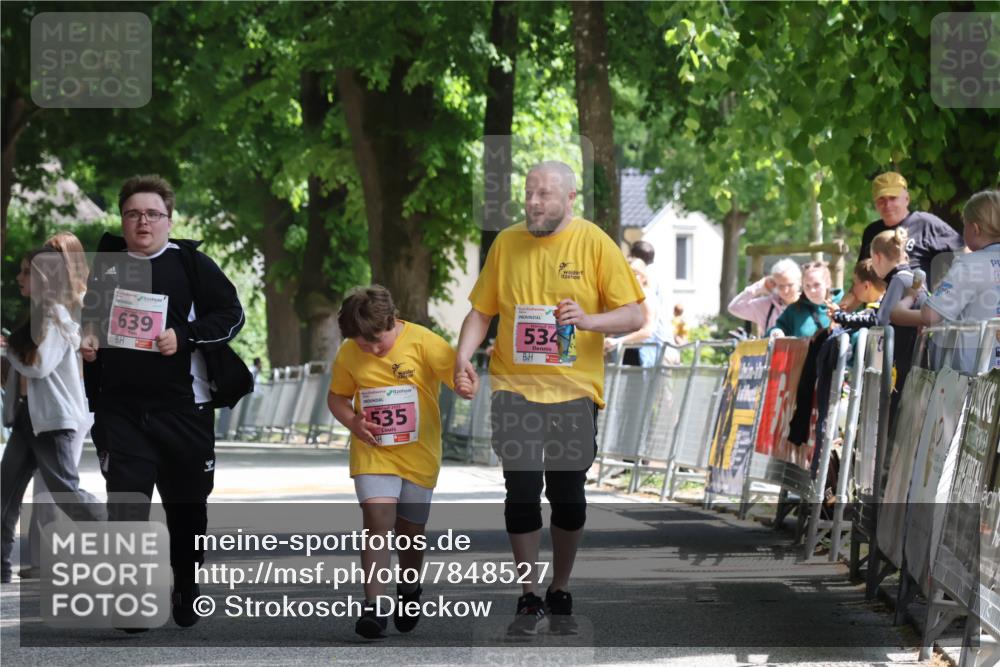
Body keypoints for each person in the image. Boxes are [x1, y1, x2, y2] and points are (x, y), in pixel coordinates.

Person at [454, 160, 644, 636]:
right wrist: (461, 358)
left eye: (544, 195)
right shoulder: (507, 243)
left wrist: (588, 320)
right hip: (515, 389)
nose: (534, 203)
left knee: (567, 496)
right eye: (529, 193)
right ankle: (528, 596)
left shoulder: (595, 243)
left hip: (574, 392)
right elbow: (481, 311)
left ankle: (560, 586)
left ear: (569, 198)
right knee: (519, 491)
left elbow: (636, 313)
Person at [80, 174, 252, 628]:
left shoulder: (192, 264)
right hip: (122, 409)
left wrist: (186, 335)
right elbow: (91, 317)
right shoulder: (108, 263)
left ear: (168, 220)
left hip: (184, 409)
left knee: (188, 506)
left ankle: (187, 581)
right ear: (122, 219)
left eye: (153, 214)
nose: (143, 222)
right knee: (126, 502)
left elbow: (232, 316)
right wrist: (90, 338)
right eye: (134, 213)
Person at [327, 285, 476, 639]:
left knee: (410, 534)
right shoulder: (350, 352)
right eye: (362, 344)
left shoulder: (424, 342)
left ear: (392, 321)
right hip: (373, 449)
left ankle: (409, 591)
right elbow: (337, 398)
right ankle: (373, 607)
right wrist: (353, 422)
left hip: (418, 453)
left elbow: (458, 377)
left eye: (376, 341)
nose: (370, 349)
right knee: (377, 519)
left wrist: (465, 384)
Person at [1, 246, 103, 584]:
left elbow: (40, 365)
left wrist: (6, 350)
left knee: (66, 493)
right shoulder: (38, 314)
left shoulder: (56, 315)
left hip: (55, 421)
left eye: (26, 272)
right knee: (5, 491)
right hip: (30, 418)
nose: (19, 278)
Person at [24, 232, 95, 577]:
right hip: (53, 400)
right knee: (48, 482)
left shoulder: (81, 301)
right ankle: (41, 559)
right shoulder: (51, 300)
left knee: (58, 485)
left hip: (72, 398)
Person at [893, 189, 1000, 373]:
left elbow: (930, 316)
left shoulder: (969, 264)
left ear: (975, 228)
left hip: (971, 381)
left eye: (964, 224)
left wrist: (906, 302)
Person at [841, 171, 965, 311]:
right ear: (875, 203)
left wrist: (945, 294)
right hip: (878, 316)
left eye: (893, 198)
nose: (887, 204)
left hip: (916, 313)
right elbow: (861, 280)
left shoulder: (925, 223)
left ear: (906, 198)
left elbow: (967, 256)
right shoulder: (871, 232)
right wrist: (842, 309)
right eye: (881, 199)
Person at [604, 257, 659, 367]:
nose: (629, 278)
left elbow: (647, 331)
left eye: (634, 274)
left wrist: (618, 341)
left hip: (640, 356)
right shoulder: (632, 297)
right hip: (629, 355)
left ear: (643, 277)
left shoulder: (645, 296)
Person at [768, 261, 842, 338]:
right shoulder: (795, 310)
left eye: (816, 285)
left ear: (827, 283)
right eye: (807, 286)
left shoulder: (844, 304)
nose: (812, 290)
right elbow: (776, 329)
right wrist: (776, 332)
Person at [728, 258, 801, 335]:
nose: (785, 290)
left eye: (790, 285)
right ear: (775, 285)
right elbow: (734, 308)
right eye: (781, 286)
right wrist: (760, 286)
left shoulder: (809, 304)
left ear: (799, 282)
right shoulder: (767, 305)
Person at [628, 240, 675, 352]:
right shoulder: (661, 272)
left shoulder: (645, 276)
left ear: (636, 257)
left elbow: (647, 307)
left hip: (654, 344)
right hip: (665, 338)